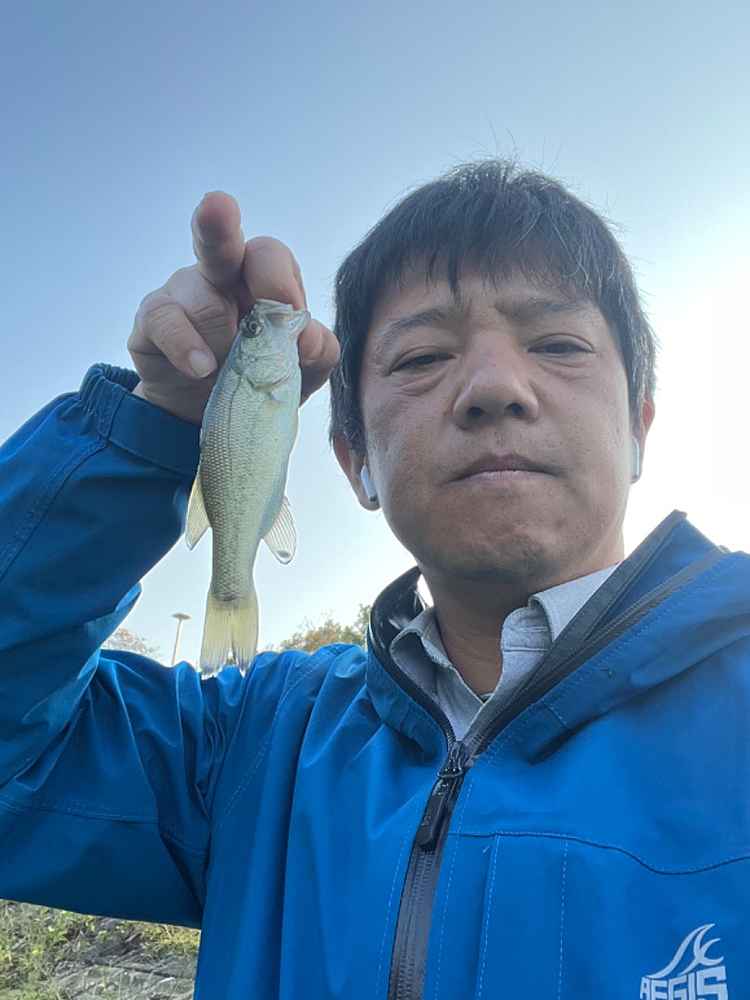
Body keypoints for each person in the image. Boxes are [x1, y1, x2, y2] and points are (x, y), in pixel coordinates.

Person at [1, 160, 748, 1000]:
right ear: (354, 461)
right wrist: (154, 429)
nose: (495, 387)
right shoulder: (253, 746)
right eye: (423, 356)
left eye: (558, 345)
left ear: (640, 426)